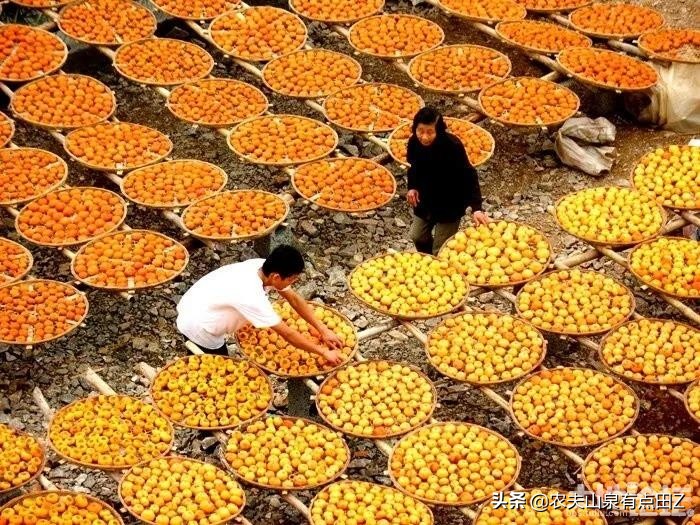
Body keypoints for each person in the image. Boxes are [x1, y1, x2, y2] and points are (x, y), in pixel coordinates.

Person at [176, 245, 343, 365]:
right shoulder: (250, 294)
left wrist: (323, 330)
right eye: (292, 279)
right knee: (216, 370)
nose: (293, 283)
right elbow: (288, 334)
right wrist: (323, 352)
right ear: (276, 277)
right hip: (198, 324)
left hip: (199, 301)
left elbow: (293, 298)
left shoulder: (263, 266)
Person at [406, 107, 489, 255]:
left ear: (439, 130)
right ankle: (429, 259)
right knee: (417, 236)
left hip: (449, 203)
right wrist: (412, 187)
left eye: (430, 132)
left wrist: (476, 208)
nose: (424, 137)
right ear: (415, 128)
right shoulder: (414, 143)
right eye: (420, 131)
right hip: (425, 200)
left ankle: (439, 268)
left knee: (442, 247)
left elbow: (469, 175)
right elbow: (413, 167)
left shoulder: (453, 146)